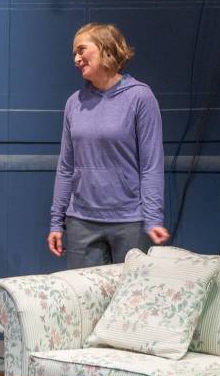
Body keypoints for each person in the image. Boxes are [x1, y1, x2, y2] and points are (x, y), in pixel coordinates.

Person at [48, 23, 169, 268]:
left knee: (130, 292)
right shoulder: (74, 103)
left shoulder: (140, 97)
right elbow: (66, 167)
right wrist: (56, 222)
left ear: (105, 48)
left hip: (129, 222)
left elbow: (151, 165)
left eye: (81, 50)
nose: (76, 59)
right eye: (74, 53)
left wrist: (153, 218)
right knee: (83, 292)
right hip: (81, 221)